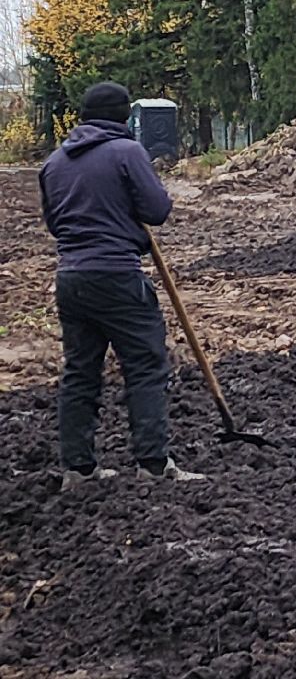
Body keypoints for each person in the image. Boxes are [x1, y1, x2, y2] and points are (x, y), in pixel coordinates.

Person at [39, 81, 204, 488]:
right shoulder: (128, 152)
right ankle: (152, 464)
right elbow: (157, 209)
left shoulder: (54, 163)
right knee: (145, 366)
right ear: (123, 116)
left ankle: (77, 469)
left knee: (80, 370)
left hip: (71, 278)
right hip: (117, 275)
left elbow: (55, 224)